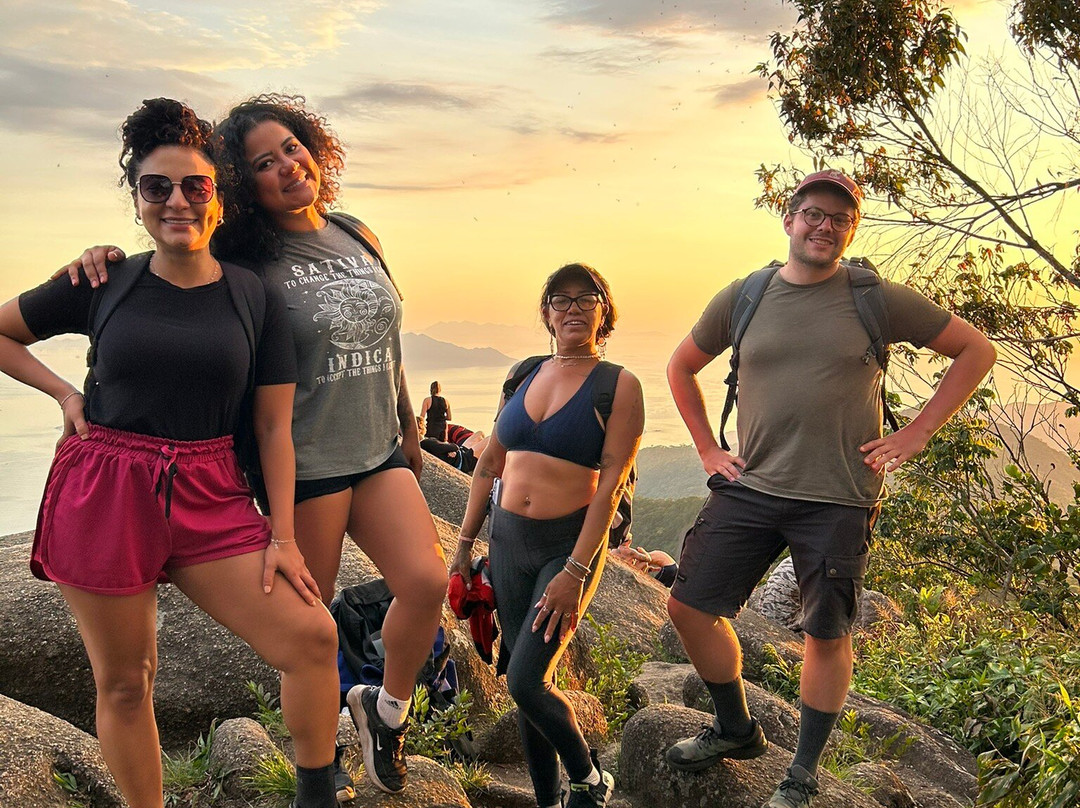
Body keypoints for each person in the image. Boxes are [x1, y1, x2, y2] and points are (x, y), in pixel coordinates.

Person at [61, 94, 447, 800]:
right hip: (305, 462)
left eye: (292, 147)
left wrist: (409, 425)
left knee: (424, 586)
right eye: (263, 163)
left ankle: (382, 714)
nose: (286, 167)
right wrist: (97, 269)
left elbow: (385, 337)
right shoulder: (247, 256)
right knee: (304, 622)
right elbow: (179, 257)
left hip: (375, 447)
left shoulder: (358, 231)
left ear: (313, 148)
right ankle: (319, 766)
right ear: (244, 183)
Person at [7, 98, 341, 808]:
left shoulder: (253, 297)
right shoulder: (103, 280)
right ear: (137, 199)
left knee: (312, 638)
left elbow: (275, 427)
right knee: (128, 681)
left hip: (210, 489)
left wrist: (282, 536)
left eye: (195, 186)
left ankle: (316, 796)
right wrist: (67, 396)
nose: (177, 201)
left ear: (218, 197)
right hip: (106, 488)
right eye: (156, 187)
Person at [663, 170, 996, 808]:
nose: (825, 225)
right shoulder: (745, 296)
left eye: (839, 219)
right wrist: (708, 448)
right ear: (789, 220)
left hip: (840, 493)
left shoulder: (875, 296)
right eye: (813, 213)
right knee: (688, 606)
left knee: (825, 631)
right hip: (753, 482)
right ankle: (737, 727)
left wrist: (918, 433)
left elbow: (974, 351)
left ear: (851, 231)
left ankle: (802, 774)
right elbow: (682, 365)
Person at [451, 263, 644, 808]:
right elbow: (489, 463)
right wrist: (464, 547)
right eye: (561, 300)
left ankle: (587, 781)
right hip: (508, 541)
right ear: (546, 313)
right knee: (521, 681)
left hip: (566, 548)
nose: (574, 308)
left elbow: (610, 489)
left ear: (604, 312)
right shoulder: (524, 374)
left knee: (526, 680)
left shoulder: (619, 385)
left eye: (587, 299)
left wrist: (575, 573)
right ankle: (546, 801)